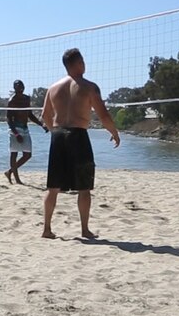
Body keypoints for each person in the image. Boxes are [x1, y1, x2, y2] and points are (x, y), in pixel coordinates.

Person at [41, 49, 120, 239]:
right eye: (82, 61)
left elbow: (45, 116)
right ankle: (84, 229)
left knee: (53, 188)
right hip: (78, 135)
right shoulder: (89, 87)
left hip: (58, 136)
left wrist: (55, 132)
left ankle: (47, 229)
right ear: (79, 64)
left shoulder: (53, 88)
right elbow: (103, 115)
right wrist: (114, 132)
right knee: (84, 188)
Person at [4, 79, 48, 185]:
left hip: (25, 128)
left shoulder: (26, 99)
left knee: (27, 154)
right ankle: (17, 179)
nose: (20, 87)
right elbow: (9, 119)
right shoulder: (12, 101)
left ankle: (9, 172)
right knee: (14, 153)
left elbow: (30, 115)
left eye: (21, 85)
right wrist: (16, 133)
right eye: (17, 85)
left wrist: (41, 125)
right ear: (14, 88)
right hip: (15, 129)